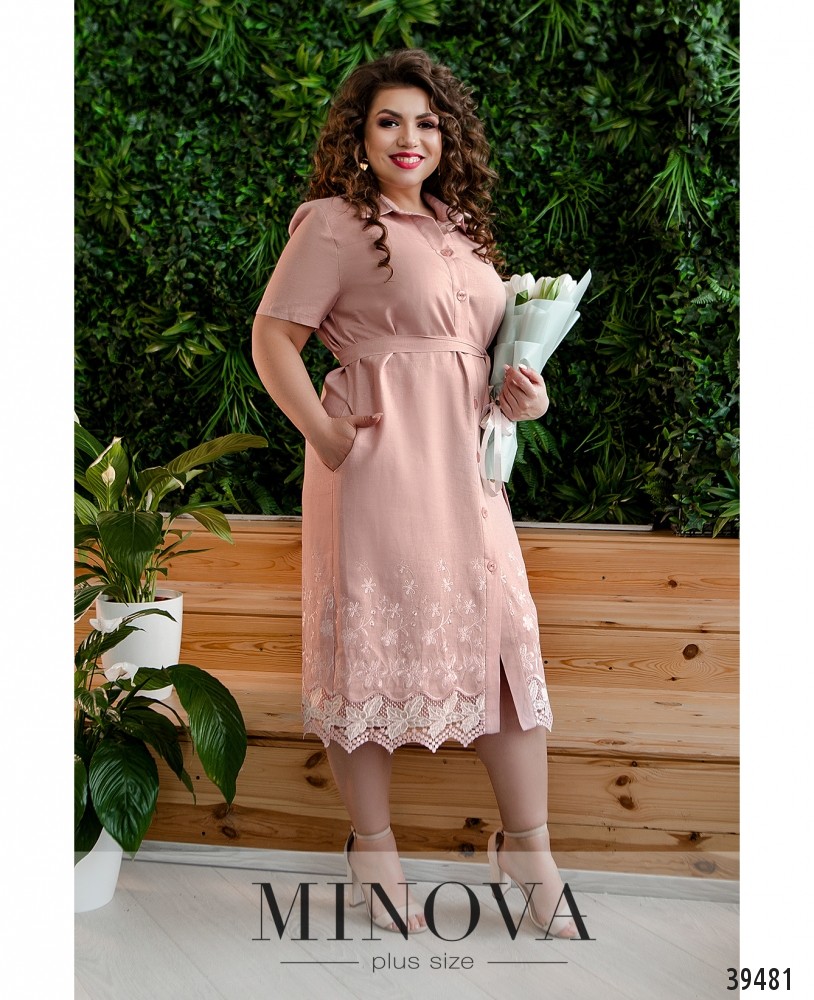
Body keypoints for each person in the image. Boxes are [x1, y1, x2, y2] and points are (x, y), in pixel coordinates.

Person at [251, 48, 577, 938]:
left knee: (504, 647)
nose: (410, 137)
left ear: (447, 138)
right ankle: (373, 851)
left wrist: (526, 396)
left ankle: (530, 850)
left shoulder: (462, 230)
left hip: (471, 474)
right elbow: (272, 338)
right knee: (370, 651)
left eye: (427, 123)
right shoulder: (333, 225)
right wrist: (324, 436)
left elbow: (484, 356)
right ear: (358, 136)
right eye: (389, 120)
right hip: (379, 470)